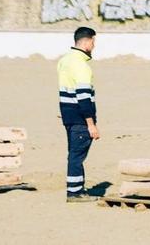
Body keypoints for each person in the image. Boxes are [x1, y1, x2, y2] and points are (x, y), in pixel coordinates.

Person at [57, 27, 100, 202]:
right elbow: (83, 97)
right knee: (77, 156)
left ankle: (76, 189)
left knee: (73, 153)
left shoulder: (64, 61)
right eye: (93, 41)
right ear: (86, 41)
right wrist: (91, 124)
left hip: (68, 115)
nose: (94, 45)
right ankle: (75, 193)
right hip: (80, 118)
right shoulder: (82, 66)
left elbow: (64, 89)